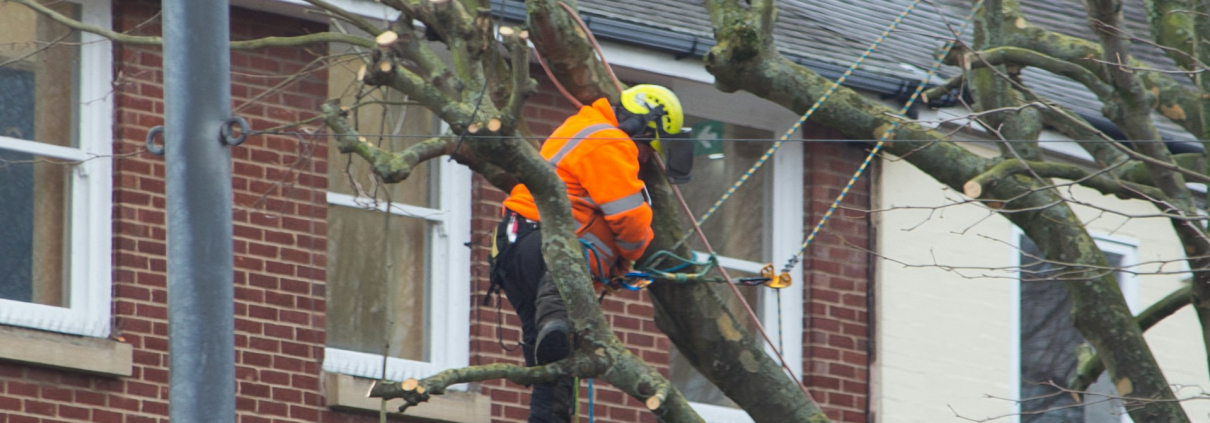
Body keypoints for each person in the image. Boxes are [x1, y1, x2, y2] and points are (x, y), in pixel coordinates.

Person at [488, 85, 684, 423]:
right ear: (642, 126)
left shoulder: (582, 127)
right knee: (557, 315)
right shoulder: (611, 141)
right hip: (546, 243)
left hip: (513, 243)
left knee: (555, 369)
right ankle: (555, 324)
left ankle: (550, 405)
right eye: (649, 149)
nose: (647, 158)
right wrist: (629, 256)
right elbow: (631, 219)